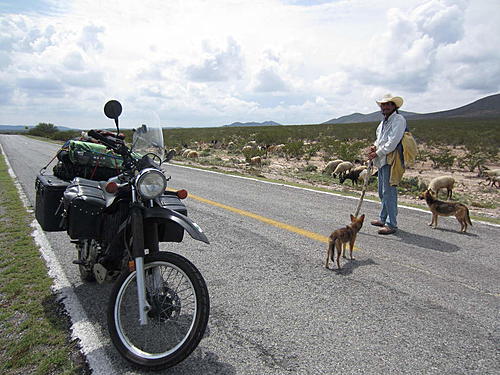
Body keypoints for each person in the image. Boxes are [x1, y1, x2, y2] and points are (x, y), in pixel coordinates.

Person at [367, 93, 407, 235]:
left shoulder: (398, 120)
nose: (385, 107)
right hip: (382, 160)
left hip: (392, 159)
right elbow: (380, 140)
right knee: (382, 191)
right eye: (383, 105)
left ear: (394, 106)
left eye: (388, 104)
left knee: (389, 192)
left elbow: (392, 142)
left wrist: (377, 153)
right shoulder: (383, 122)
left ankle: (392, 224)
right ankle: (382, 218)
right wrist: (374, 147)